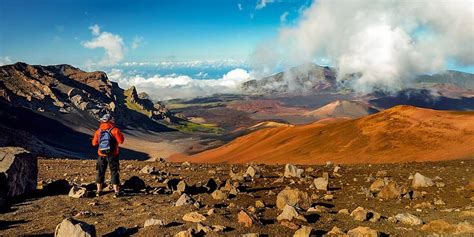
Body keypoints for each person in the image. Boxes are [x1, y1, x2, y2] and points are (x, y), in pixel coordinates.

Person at [92, 114, 125, 198]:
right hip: (113, 155)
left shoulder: (98, 131)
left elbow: (94, 143)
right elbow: (121, 141)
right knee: (114, 172)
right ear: (111, 120)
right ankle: (117, 191)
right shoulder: (115, 130)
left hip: (101, 155)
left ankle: (99, 191)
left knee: (100, 172)